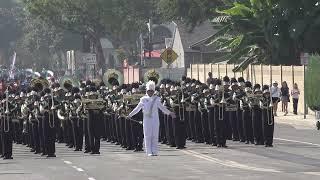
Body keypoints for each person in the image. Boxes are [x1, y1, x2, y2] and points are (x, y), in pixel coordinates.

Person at [127, 81, 176, 156]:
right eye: (149, 91)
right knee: (147, 135)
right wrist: (130, 115)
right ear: (147, 91)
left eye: (152, 91)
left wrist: (170, 113)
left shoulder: (157, 99)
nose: (150, 92)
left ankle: (155, 151)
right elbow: (137, 109)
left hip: (155, 119)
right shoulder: (143, 99)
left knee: (155, 135)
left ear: (153, 91)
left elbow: (162, 108)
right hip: (146, 119)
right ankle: (149, 151)